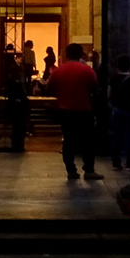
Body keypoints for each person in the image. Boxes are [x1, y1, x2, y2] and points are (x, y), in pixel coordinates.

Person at [48, 42, 101, 180]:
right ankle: (89, 169)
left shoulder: (58, 70)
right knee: (88, 141)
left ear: (66, 54)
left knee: (68, 139)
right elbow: (95, 89)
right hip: (84, 109)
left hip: (65, 110)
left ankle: (71, 170)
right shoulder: (87, 70)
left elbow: (49, 88)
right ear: (80, 54)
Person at [108, 54, 130, 170]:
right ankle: (129, 161)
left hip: (117, 109)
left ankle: (116, 161)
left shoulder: (114, 78)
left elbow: (109, 94)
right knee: (129, 136)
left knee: (117, 136)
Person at [2, 46, 30, 152]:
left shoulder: (15, 69)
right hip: (18, 102)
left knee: (16, 125)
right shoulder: (15, 69)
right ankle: (18, 144)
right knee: (18, 124)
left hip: (14, 101)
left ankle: (16, 144)